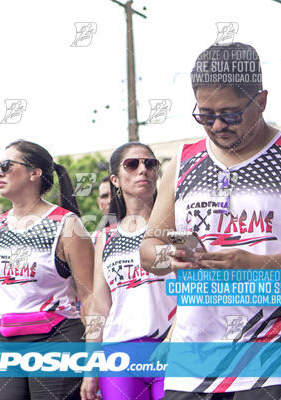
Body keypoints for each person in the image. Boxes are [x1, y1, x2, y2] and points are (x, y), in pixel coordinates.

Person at [139, 42, 281, 399]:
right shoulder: (182, 162)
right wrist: (172, 258)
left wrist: (259, 265)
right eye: (205, 115)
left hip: (280, 353)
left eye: (231, 113)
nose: (218, 125)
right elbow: (149, 249)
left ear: (262, 100)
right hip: (194, 359)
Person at [0, 139, 94, 400]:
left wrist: (92, 366)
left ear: (34, 173)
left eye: (6, 165)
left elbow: (92, 299)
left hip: (57, 341)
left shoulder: (66, 224)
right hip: (5, 344)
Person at [81, 143, 176, 400]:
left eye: (150, 164)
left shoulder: (176, 226)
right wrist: (91, 369)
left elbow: (196, 290)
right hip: (119, 356)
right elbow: (99, 308)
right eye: (132, 165)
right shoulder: (105, 237)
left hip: (172, 348)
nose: (142, 170)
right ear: (115, 179)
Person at [92, 176, 112, 245]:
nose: (109, 201)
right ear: (99, 203)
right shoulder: (94, 239)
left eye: (113, 195)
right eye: (105, 196)